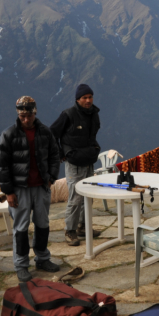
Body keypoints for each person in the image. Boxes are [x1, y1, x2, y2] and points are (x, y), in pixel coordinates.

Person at [0, 96, 61, 283]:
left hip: (41, 186)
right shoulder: (9, 135)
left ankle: (42, 258)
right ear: (18, 114)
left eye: (29, 115)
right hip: (19, 189)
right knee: (21, 228)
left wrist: (51, 177)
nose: (26, 119)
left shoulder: (45, 133)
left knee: (43, 224)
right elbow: (2, 166)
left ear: (35, 113)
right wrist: (8, 191)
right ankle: (21, 265)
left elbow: (54, 155)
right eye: (22, 116)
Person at [50, 84, 101, 247]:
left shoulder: (94, 114)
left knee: (88, 196)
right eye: (84, 98)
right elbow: (52, 133)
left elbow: (93, 134)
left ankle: (83, 227)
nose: (88, 100)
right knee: (75, 197)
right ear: (77, 99)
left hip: (88, 162)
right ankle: (69, 230)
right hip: (74, 164)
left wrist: (94, 148)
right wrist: (60, 153)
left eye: (90, 97)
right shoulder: (68, 115)